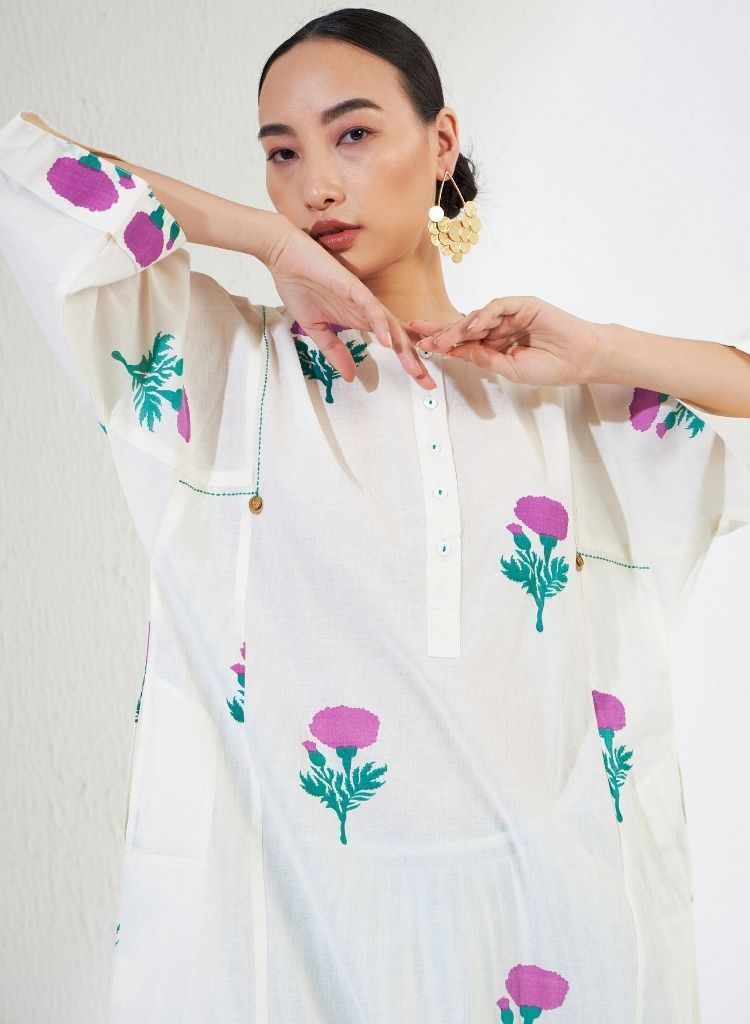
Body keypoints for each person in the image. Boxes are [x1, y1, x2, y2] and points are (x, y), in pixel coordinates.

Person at [1, 7, 750, 1023]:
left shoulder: (568, 412)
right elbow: (24, 168)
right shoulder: (220, 375)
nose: (314, 185)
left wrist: (605, 351)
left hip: (556, 951)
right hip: (290, 961)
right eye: (282, 153)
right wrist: (267, 242)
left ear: (441, 144)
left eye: (352, 133)